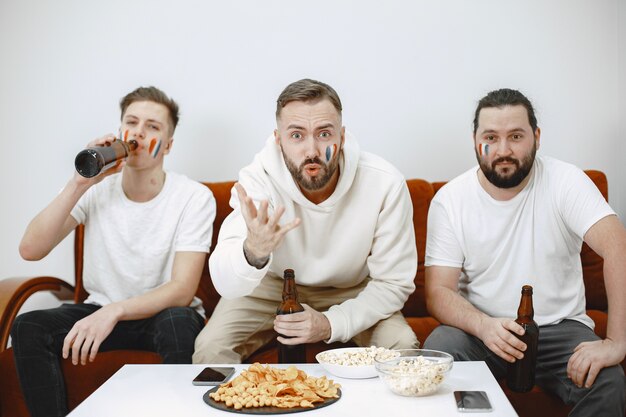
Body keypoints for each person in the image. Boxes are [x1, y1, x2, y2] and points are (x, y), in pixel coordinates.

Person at [12, 86, 216, 417]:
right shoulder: (97, 190)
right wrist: (81, 182)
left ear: (169, 145)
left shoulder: (193, 196)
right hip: (101, 311)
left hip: (161, 316)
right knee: (28, 326)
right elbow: (30, 249)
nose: (138, 132)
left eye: (152, 126)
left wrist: (115, 311)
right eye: (131, 122)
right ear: (120, 130)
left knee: (178, 322)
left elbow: (181, 290)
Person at [423, 88, 626, 416]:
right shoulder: (451, 200)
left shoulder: (566, 182)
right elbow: (437, 292)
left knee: (609, 381)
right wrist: (484, 326)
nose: (503, 150)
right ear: (475, 140)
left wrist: (617, 342)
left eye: (516, 136)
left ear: (537, 137)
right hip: (480, 331)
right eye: (491, 137)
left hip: (559, 330)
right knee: (440, 349)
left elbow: (618, 245)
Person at [193, 78, 418, 363]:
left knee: (403, 347)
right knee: (210, 348)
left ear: (342, 137)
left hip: (351, 290)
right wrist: (254, 252)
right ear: (279, 140)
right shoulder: (258, 180)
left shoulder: (385, 182)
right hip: (271, 287)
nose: (311, 150)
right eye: (297, 135)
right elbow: (225, 283)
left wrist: (330, 324)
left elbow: (394, 283)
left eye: (324, 134)